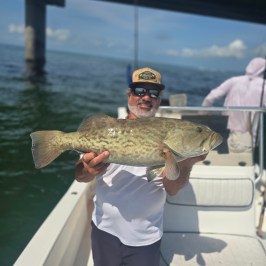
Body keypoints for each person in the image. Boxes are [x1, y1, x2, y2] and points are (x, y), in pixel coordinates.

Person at [75, 67, 206, 266]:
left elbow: (172, 189)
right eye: (139, 91)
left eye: (153, 93)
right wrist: (88, 170)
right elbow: (80, 176)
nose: (146, 97)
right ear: (129, 96)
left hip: (145, 239)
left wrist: (188, 161)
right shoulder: (107, 130)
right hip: (104, 230)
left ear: (159, 100)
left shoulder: (171, 138)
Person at [202, 57, 266, 152]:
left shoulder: (234, 80)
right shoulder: (264, 86)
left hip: (224, 133)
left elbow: (210, 98)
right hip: (247, 138)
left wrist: (202, 114)